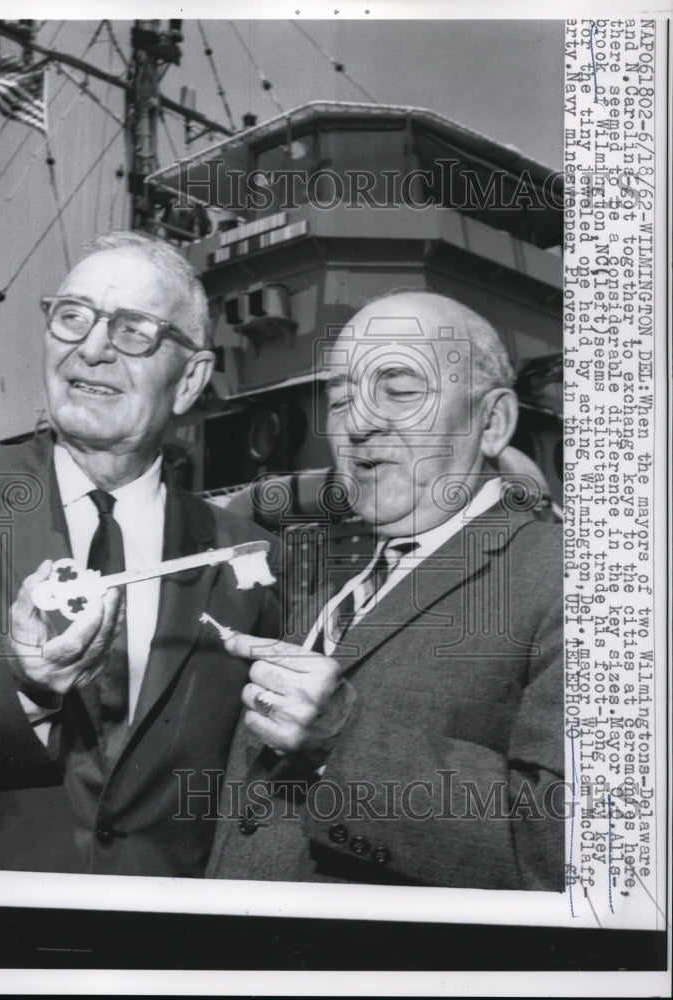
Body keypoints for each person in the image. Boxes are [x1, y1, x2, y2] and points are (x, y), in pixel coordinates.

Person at [0, 231, 279, 876]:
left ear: (190, 379)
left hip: (159, 959)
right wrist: (19, 682)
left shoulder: (247, 559)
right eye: (72, 316)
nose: (91, 348)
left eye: (133, 330)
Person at [206, 291, 564, 891]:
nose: (357, 422)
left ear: (493, 422)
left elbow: (569, 849)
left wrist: (345, 741)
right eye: (342, 398)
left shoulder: (573, 581)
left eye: (400, 391)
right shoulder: (333, 587)